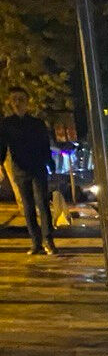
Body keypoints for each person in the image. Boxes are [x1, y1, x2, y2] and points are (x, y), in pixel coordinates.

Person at [0, 88, 55, 255]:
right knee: (28, 206)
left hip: (38, 168)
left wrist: (49, 162)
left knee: (42, 204)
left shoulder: (37, 123)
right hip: (20, 170)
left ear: (27, 101)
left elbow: (45, 145)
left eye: (21, 99)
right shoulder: (6, 124)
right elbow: (2, 146)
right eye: (14, 99)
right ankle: (35, 242)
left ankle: (48, 241)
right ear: (10, 102)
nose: (17, 103)